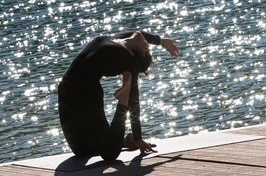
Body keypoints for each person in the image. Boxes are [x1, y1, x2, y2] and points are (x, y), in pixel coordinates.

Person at [58, 30, 179, 161]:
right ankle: (123, 124)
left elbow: (140, 34)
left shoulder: (125, 49)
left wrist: (161, 41)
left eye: (146, 51)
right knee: (91, 151)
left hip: (76, 90)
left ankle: (122, 124)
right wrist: (160, 41)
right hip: (76, 90)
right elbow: (134, 101)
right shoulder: (125, 50)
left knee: (97, 152)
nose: (147, 48)